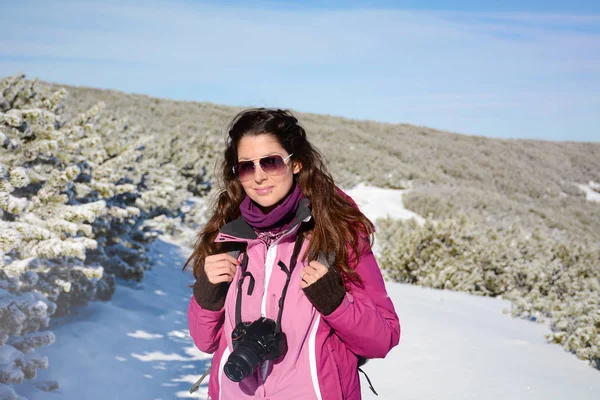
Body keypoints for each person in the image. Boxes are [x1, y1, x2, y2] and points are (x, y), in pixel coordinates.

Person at [184, 108, 400, 400]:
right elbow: (204, 341)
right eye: (247, 166)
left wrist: (335, 302)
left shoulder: (335, 233)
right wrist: (208, 292)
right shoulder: (229, 237)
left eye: (271, 163)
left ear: (296, 163)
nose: (259, 177)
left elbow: (382, 339)